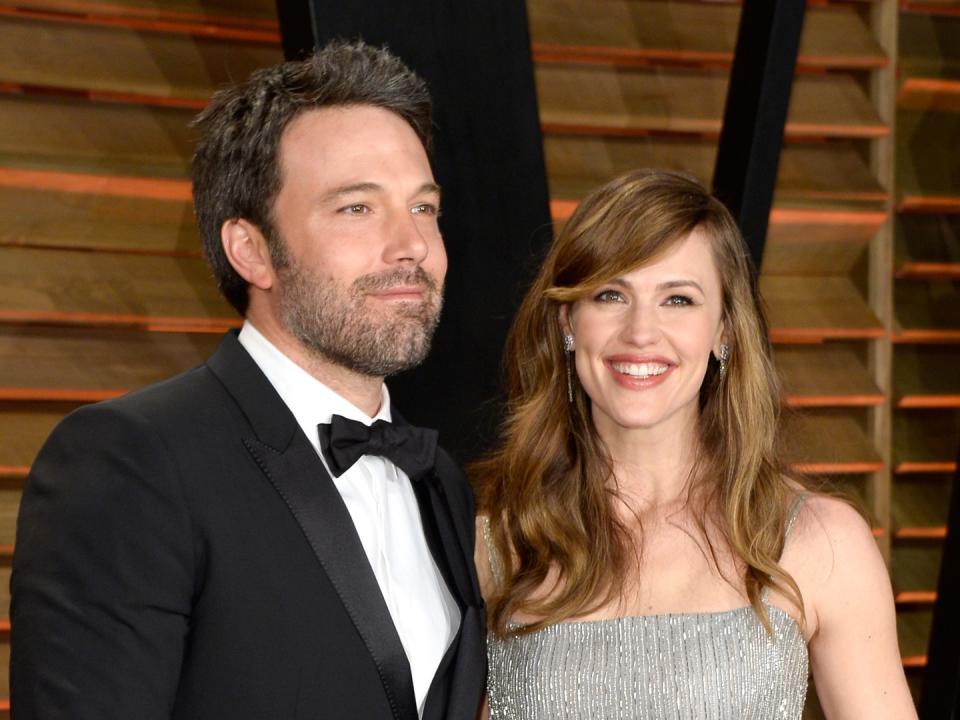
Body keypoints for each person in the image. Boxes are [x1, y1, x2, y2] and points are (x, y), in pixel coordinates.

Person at [11, 41, 485, 720]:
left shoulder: (441, 480)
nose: (410, 245)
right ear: (252, 250)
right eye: (357, 208)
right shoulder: (131, 461)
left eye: (422, 208)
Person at [472, 169, 916, 719]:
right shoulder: (496, 541)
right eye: (611, 294)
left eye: (678, 299)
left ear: (724, 329)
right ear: (568, 321)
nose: (640, 332)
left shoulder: (819, 541)